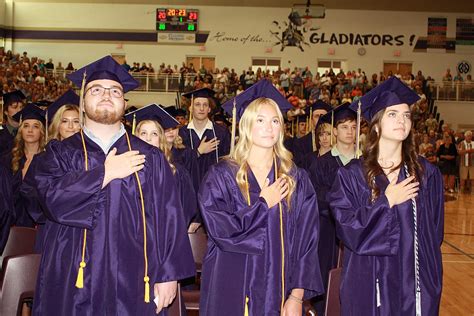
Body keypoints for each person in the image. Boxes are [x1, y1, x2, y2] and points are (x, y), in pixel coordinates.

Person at [31, 56, 194, 315]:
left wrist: (169, 275)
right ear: (83, 102)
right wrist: (105, 173)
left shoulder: (150, 157)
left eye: (115, 91)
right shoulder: (59, 153)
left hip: (137, 275)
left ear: (125, 103)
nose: (106, 95)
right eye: (96, 90)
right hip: (73, 275)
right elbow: (51, 200)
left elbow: (169, 218)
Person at [199, 80, 324, 315]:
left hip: (278, 287)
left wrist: (296, 297)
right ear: (246, 125)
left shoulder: (295, 178)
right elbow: (223, 232)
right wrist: (263, 204)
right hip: (230, 285)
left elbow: (307, 242)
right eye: (260, 120)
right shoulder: (221, 175)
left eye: (274, 121)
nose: (269, 127)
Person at [329, 77, 444, 315]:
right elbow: (347, 230)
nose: (402, 120)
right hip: (369, 281)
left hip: (414, 284)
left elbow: (435, 233)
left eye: (406, 115)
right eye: (392, 114)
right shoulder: (352, 175)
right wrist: (387, 202)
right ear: (377, 125)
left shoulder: (426, 174)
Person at [307, 103, 357, 315]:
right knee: (326, 277)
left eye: (354, 127)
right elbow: (315, 196)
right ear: (335, 131)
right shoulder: (322, 163)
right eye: (344, 127)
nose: (350, 131)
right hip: (328, 231)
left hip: (358, 233)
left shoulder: (364, 163)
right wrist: (341, 209)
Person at [125, 103, 198, 227]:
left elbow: (186, 208)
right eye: (143, 133)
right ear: (135, 137)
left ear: (160, 139)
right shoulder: (124, 171)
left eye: (154, 134)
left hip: (164, 238)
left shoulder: (176, 172)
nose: (148, 138)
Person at [5, 103, 46, 228]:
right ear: (20, 129)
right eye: (26, 126)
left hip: (39, 225)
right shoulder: (8, 160)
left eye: (35, 126)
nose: (30, 130)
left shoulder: (49, 160)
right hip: (11, 224)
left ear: (42, 131)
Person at [179, 87, 231, 184]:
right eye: (197, 104)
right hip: (189, 187)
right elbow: (179, 162)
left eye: (205, 105)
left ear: (209, 109)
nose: (201, 108)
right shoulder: (181, 133)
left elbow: (227, 162)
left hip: (215, 188)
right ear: (190, 108)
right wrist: (198, 152)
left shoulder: (221, 132)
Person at [292, 101, 332, 167]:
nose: (320, 119)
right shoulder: (300, 144)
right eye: (316, 116)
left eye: (323, 115)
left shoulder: (334, 141)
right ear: (311, 120)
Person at [0, 90, 26, 157]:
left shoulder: (27, 132)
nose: (19, 110)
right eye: (14, 107)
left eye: (21, 107)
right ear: (6, 111)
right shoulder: (1, 132)